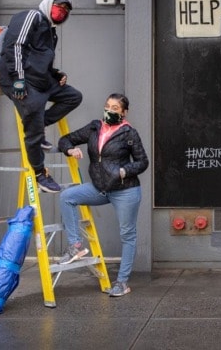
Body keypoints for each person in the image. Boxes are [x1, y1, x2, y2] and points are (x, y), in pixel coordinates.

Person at [57, 93, 149, 297]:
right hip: (100, 188)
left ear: (124, 112)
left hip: (125, 191)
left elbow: (143, 162)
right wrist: (70, 150)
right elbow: (66, 139)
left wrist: (123, 171)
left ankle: (122, 282)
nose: (109, 110)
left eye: (115, 108)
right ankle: (75, 246)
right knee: (67, 197)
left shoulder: (129, 134)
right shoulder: (94, 127)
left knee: (127, 235)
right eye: (108, 106)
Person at [0, 0, 83, 193]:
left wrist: (56, 74)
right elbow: (16, 47)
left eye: (65, 9)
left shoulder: (51, 32)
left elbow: (39, 60)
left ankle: (38, 123)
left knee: (73, 97)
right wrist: (18, 80)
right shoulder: (32, 16)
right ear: (49, 3)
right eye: (59, 5)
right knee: (34, 122)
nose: (61, 11)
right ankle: (39, 174)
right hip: (21, 81)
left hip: (41, 80)